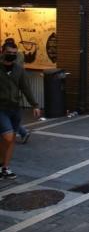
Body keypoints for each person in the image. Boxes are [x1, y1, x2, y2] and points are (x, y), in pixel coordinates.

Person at [0, 40, 41, 179]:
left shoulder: (19, 69)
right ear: (2, 51)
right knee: (8, 136)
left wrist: (35, 105)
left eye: (14, 53)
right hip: (1, 108)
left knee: (10, 140)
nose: (11, 55)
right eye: (8, 53)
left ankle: (5, 167)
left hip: (15, 108)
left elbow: (26, 88)